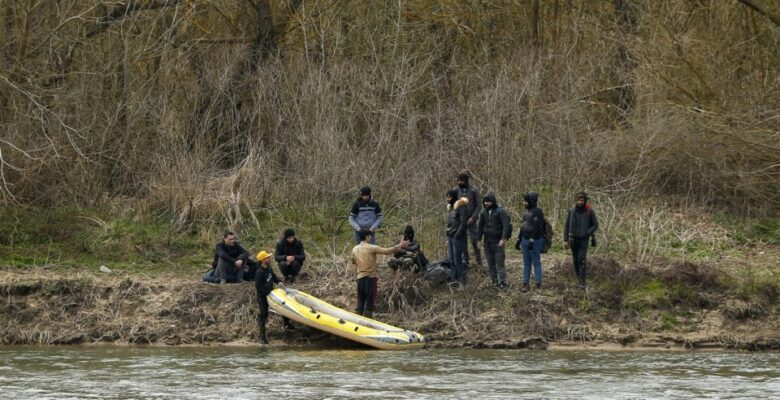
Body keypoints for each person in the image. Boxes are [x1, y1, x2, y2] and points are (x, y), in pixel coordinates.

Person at [351, 229, 409, 317]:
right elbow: (388, 251)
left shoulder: (354, 249)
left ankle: (356, 323)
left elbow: (354, 262)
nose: (371, 238)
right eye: (370, 236)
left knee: (360, 304)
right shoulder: (371, 247)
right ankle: (367, 324)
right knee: (369, 304)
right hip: (370, 279)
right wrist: (401, 245)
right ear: (367, 237)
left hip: (359, 278)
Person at [254, 250, 293, 344]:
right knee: (264, 314)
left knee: (283, 307)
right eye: (267, 258)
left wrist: (279, 282)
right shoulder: (259, 272)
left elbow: (274, 277)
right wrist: (267, 293)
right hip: (263, 297)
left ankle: (287, 324)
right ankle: (262, 338)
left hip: (272, 294)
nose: (269, 259)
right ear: (263, 260)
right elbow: (258, 286)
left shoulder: (269, 268)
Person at [564, 192, 600, 289]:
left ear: (585, 201)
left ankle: (582, 282)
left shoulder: (589, 211)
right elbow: (566, 225)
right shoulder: (572, 211)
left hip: (584, 240)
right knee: (575, 260)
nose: (580, 202)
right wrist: (566, 240)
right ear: (575, 200)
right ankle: (578, 278)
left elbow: (595, 225)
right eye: (578, 200)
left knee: (581, 259)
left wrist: (587, 233)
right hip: (573, 239)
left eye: (582, 200)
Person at [477, 192, 511, 289]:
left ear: (493, 201)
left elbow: (506, 225)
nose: (486, 203)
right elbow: (480, 227)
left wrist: (503, 239)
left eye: (488, 202)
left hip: (498, 242)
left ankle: (502, 282)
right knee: (490, 263)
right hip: (487, 242)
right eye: (484, 202)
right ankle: (494, 281)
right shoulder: (483, 212)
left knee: (500, 263)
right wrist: (478, 240)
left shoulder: (500, 211)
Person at [516, 192, 546, 292]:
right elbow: (523, 226)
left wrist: (532, 240)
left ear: (531, 201)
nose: (524, 203)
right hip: (524, 240)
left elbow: (538, 227)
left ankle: (538, 285)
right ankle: (525, 284)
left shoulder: (538, 211)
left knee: (536, 262)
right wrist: (519, 239)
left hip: (535, 240)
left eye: (526, 201)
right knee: (526, 263)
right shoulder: (526, 212)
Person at [455, 170, 483, 269]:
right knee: (463, 242)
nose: (460, 183)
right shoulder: (456, 191)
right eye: (458, 180)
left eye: (462, 181)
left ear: (466, 181)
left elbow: (479, 206)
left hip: (472, 220)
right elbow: (454, 205)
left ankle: (480, 262)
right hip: (460, 222)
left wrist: (473, 217)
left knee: (474, 241)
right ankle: (465, 262)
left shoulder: (474, 191)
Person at [446, 189, 469, 289]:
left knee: (457, 259)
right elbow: (450, 223)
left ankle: (462, 282)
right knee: (451, 259)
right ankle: (454, 279)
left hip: (458, 237)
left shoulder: (461, 207)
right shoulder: (450, 207)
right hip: (450, 236)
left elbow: (463, 223)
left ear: (454, 196)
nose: (448, 199)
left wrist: (457, 234)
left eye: (449, 197)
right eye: (447, 197)